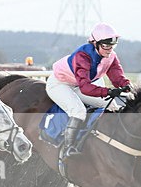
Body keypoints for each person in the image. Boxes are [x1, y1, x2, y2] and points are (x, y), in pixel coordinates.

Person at [46, 22, 132, 161]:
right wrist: (108, 91)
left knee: (112, 106)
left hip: (77, 85)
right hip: (59, 84)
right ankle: (68, 148)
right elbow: (86, 88)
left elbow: (117, 76)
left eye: (112, 45)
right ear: (95, 43)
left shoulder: (111, 56)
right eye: (105, 45)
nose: (109, 49)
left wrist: (126, 85)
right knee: (79, 111)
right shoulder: (83, 55)